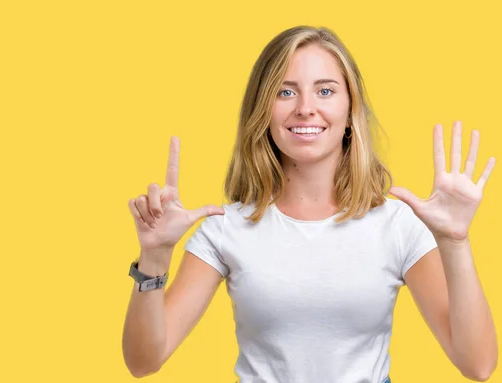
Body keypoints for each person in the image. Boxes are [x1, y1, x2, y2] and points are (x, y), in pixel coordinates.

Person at [121, 26, 498, 382]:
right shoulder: (225, 229)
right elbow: (143, 361)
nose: (305, 108)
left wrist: (454, 242)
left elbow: (478, 364)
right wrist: (153, 257)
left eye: (325, 90)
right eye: (285, 92)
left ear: (351, 111)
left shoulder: (397, 225)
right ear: (262, 112)